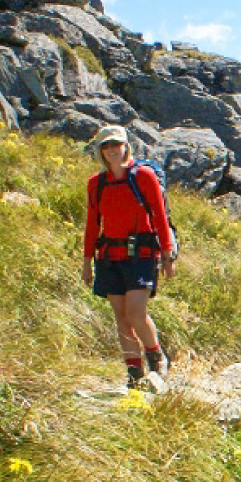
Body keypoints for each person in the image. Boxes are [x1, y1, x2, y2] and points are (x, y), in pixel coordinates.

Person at [82, 126, 176, 388]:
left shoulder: (144, 177)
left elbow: (159, 216)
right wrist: (86, 262)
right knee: (121, 317)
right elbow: (92, 225)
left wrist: (167, 256)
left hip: (141, 254)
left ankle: (156, 357)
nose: (111, 149)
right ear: (100, 150)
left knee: (136, 313)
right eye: (106, 145)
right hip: (109, 257)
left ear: (126, 146)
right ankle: (134, 373)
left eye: (116, 144)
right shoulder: (96, 183)